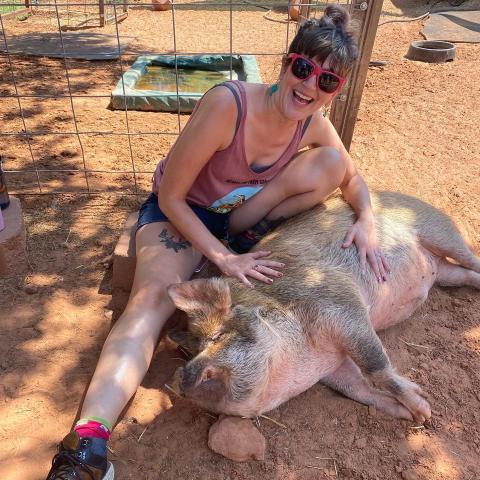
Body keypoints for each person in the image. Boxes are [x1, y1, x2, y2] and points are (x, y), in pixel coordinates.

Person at [46, 5, 390, 479]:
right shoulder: (229, 104)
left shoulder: (312, 122)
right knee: (149, 305)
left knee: (330, 162)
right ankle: (86, 443)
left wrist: (367, 218)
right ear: (288, 62)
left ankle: (250, 238)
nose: (310, 86)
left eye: (326, 81)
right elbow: (171, 196)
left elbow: (351, 178)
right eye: (304, 68)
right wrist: (222, 258)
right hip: (183, 214)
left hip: (240, 221)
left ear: (336, 91)